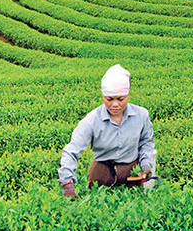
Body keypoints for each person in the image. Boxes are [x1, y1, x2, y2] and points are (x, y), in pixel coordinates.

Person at [58, 64, 156, 199]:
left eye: (121, 99)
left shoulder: (141, 115)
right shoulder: (92, 120)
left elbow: (146, 142)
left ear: (128, 94)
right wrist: (67, 182)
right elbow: (72, 150)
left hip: (132, 174)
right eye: (109, 99)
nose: (115, 104)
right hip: (101, 173)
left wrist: (146, 165)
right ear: (103, 95)